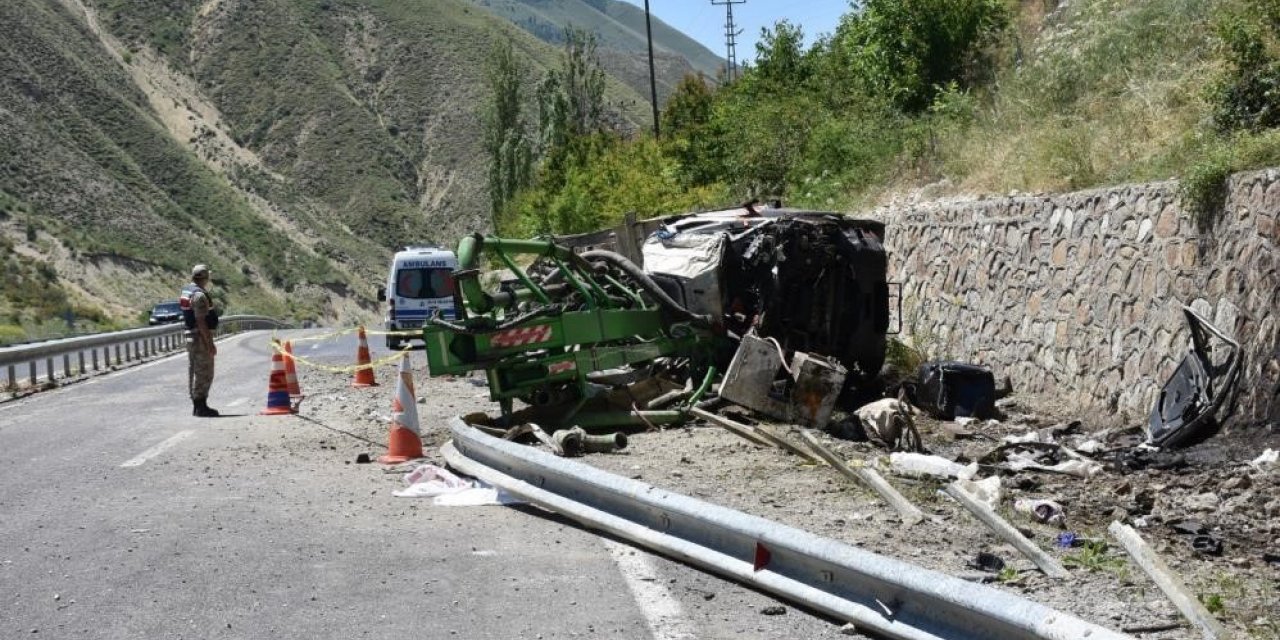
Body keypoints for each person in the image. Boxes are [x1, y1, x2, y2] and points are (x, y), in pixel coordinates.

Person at [180, 264, 219, 417]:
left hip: (192, 337)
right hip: (199, 337)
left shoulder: (187, 291)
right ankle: (200, 405)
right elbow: (201, 321)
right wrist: (210, 343)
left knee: (195, 370)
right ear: (205, 277)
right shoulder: (199, 295)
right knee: (205, 372)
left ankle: (198, 405)